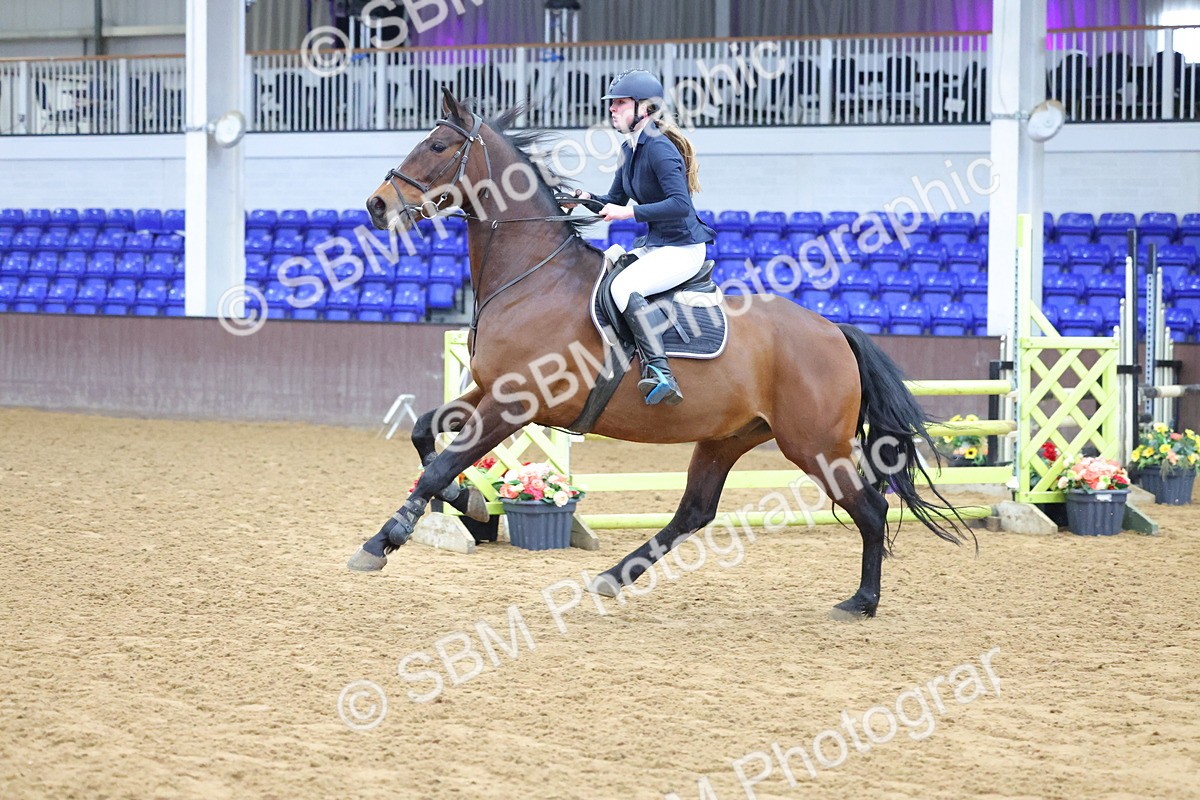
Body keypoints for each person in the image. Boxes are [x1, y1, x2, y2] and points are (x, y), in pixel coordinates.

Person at [570, 69, 716, 407]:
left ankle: (661, 371)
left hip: (683, 249)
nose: (612, 109)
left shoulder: (660, 150)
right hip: (657, 246)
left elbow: (680, 205)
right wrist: (579, 197)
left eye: (620, 103)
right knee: (603, 272)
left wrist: (629, 214)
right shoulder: (630, 150)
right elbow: (615, 201)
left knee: (624, 288)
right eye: (613, 104)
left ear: (644, 109)